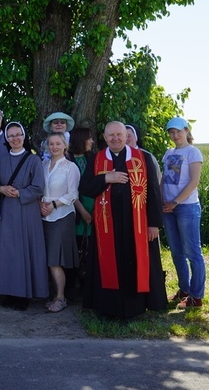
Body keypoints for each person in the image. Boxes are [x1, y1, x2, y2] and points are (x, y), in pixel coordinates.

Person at [80, 121, 167, 318]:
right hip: (106, 225)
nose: (115, 138)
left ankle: (136, 308)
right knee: (109, 265)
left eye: (119, 134)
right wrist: (105, 179)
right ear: (104, 137)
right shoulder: (96, 159)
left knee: (135, 263)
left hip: (136, 224)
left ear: (126, 136)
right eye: (111, 135)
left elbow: (153, 191)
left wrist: (154, 223)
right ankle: (109, 308)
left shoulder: (142, 157)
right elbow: (85, 187)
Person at [0, 122, 48, 311]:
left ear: (24, 137)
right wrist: (1, 188)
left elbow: (39, 187)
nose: (15, 138)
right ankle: (8, 292)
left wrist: (19, 193)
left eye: (18, 135)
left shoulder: (33, 160)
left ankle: (23, 295)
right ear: (7, 139)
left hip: (26, 211)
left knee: (24, 252)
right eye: (11, 136)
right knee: (7, 253)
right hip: (6, 211)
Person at [161, 117, 205, 309]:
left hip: (186, 207)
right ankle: (184, 290)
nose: (175, 135)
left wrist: (176, 202)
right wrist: (162, 200)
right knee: (177, 252)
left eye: (178, 131)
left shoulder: (193, 153)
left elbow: (193, 182)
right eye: (171, 132)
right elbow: (164, 179)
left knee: (193, 252)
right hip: (167, 208)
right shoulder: (168, 153)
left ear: (186, 131)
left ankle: (196, 297)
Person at [40, 132, 80, 313]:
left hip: (61, 216)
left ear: (65, 146)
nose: (54, 147)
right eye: (51, 144)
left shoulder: (70, 167)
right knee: (48, 259)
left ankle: (61, 297)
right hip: (44, 215)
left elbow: (73, 194)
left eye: (57, 144)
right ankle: (52, 293)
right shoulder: (43, 165)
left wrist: (54, 204)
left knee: (55, 259)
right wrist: (42, 204)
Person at [66, 127, 95, 300]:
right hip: (77, 213)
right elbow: (70, 190)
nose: (91, 141)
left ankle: (87, 288)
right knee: (75, 251)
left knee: (89, 251)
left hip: (93, 213)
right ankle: (71, 290)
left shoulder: (91, 158)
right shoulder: (68, 160)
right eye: (89, 138)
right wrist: (83, 211)